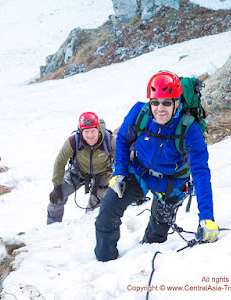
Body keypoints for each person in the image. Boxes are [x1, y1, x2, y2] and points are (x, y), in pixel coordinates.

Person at [94, 71, 219, 261]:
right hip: (139, 172)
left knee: (157, 235)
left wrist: (207, 218)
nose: (160, 108)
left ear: (177, 103)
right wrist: (119, 172)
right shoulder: (139, 113)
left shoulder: (190, 130)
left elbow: (200, 173)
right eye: (155, 102)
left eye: (167, 102)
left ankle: (144, 257)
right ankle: (104, 261)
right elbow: (122, 140)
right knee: (107, 212)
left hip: (172, 182)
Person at [47, 112, 115, 224]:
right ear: (81, 131)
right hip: (78, 173)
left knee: (97, 206)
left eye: (93, 131)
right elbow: (60, 162)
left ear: (98, 129)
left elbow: (123, 160)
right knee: (56, 198)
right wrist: (57, 185)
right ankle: (52, 227)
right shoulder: (73, 141)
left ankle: (86, 225)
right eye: (86, 132)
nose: (90, 135)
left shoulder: (109, 141)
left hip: (102, 175)